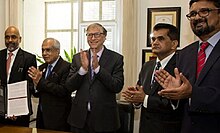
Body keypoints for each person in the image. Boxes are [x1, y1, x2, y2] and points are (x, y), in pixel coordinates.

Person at [155, 0, 220, 133]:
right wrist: (175, 93)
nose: (197, 17)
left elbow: (193, 92)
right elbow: (180, 105)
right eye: (193, 14)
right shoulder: (184, 54)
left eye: (204, 11)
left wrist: (193, 93)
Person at [122, 23, 185, 133]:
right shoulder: (147, 66)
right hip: (145, 128)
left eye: (160, 39)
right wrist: (135, 99)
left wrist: (144, 99)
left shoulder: (182, 66)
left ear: (174, 44)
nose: (155, 42)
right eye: (153, 39)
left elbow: (177, 104)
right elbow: (141, 94)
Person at [65, 23, 124, 133]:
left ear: (104, 36)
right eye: (89, 35)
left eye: (96, 34)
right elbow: (69, 86)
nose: (92, 38)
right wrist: (82, 70)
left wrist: (98, 69)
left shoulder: (116, 58)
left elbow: (117, 86)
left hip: (105, 120)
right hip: (79, 119)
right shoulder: (78, 58)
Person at [28, 38, 71, 131]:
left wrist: (40, 81)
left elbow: (63, 91)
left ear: (57, 51)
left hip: (59, 119)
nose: (44, 53)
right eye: (43, 50)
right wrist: (35, 84)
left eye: (48, 50)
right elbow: (37, 93)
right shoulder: (42, 67)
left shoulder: (67, 67)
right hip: (41, 118)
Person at [0, 26, 37, 127]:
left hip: (19, 114)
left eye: (13, 37)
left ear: (20, 39)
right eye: (7, 37)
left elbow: (29, 86)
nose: (10, 40)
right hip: (0, 112)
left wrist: (16, 109)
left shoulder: (29, 58)